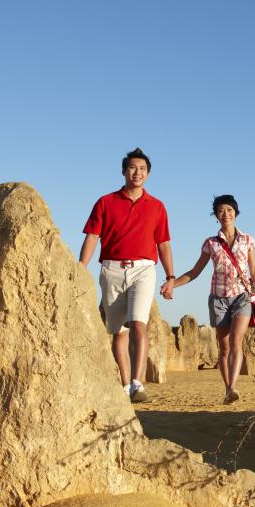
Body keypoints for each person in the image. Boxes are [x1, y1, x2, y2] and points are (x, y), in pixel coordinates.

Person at [78, 147, 174, 403]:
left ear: (148, 174)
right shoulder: (105, 202)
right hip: (111, 269)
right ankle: (123, 385)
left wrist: (170, 276)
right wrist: (79, 268)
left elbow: (163, 243)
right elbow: (92, 237)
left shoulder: (157, 206)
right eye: (133, 168)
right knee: (119, 331)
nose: (137, 172)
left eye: (142, 169)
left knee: (139, 324)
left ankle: (137, 384)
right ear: (124, 171)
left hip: (144, 269)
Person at [165, 194, 255, 404]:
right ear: (216, 216)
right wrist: (172, 283)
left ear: (236, 212)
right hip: (218, 299)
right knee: (225, 347)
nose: (225, 214)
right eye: (221, 211)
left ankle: (232, 387)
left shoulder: (248, 240)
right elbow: (195, 271)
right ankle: (228, 389)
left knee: (237, 342)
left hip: (242, 297)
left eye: (229, 210)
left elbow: (254, 270)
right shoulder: (210, 243)